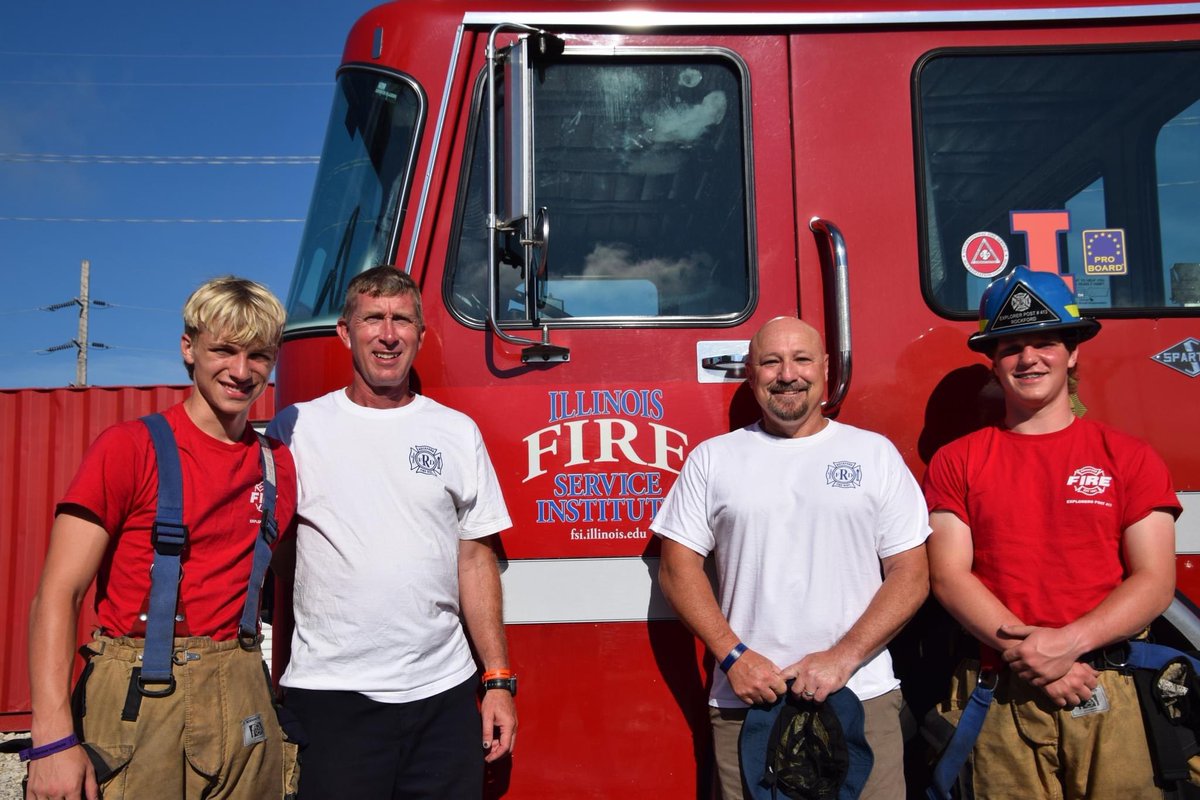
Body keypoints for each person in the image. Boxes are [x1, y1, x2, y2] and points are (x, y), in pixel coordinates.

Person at [25, 276, 297, 800]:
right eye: (223, 350)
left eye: (259, 356)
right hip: (139, 695)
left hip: (242, 686)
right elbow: (57, 595)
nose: (241, 372)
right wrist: (53, 740)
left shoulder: (278, 466)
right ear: (188, 348)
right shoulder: (128, 447)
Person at [924, 266, 1183, 798]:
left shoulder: (1129, 458)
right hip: (1000, 691)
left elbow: (1155, 581)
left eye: (1043, 342)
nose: (1028, 359)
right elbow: (949, 576)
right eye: (1011, 347)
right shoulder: (957, 461)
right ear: (993, 363)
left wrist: (1067, 646)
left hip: (1106, 684)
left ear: (1073, 352)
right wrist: (1037, 659)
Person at [652, 316, 931, 800]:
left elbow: (912, 575)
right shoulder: (714, 459)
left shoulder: (874, 455)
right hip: (746, 701)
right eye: (771, 361)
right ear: (750, 372)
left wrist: (843, 659)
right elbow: (678, 571)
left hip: (861, 695)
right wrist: (734, 657)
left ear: (825, 368)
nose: (787, 374)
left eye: (801, 359)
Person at [268, 265, 516, 799]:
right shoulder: (296, 428)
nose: (388, 334)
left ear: (421, 336)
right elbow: (278, 558)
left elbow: (475, 562)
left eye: (402, 320)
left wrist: (496, 680)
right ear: (344, 332)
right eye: (373, 318)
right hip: (331, 696)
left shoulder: (455, 432)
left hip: (443, 698)